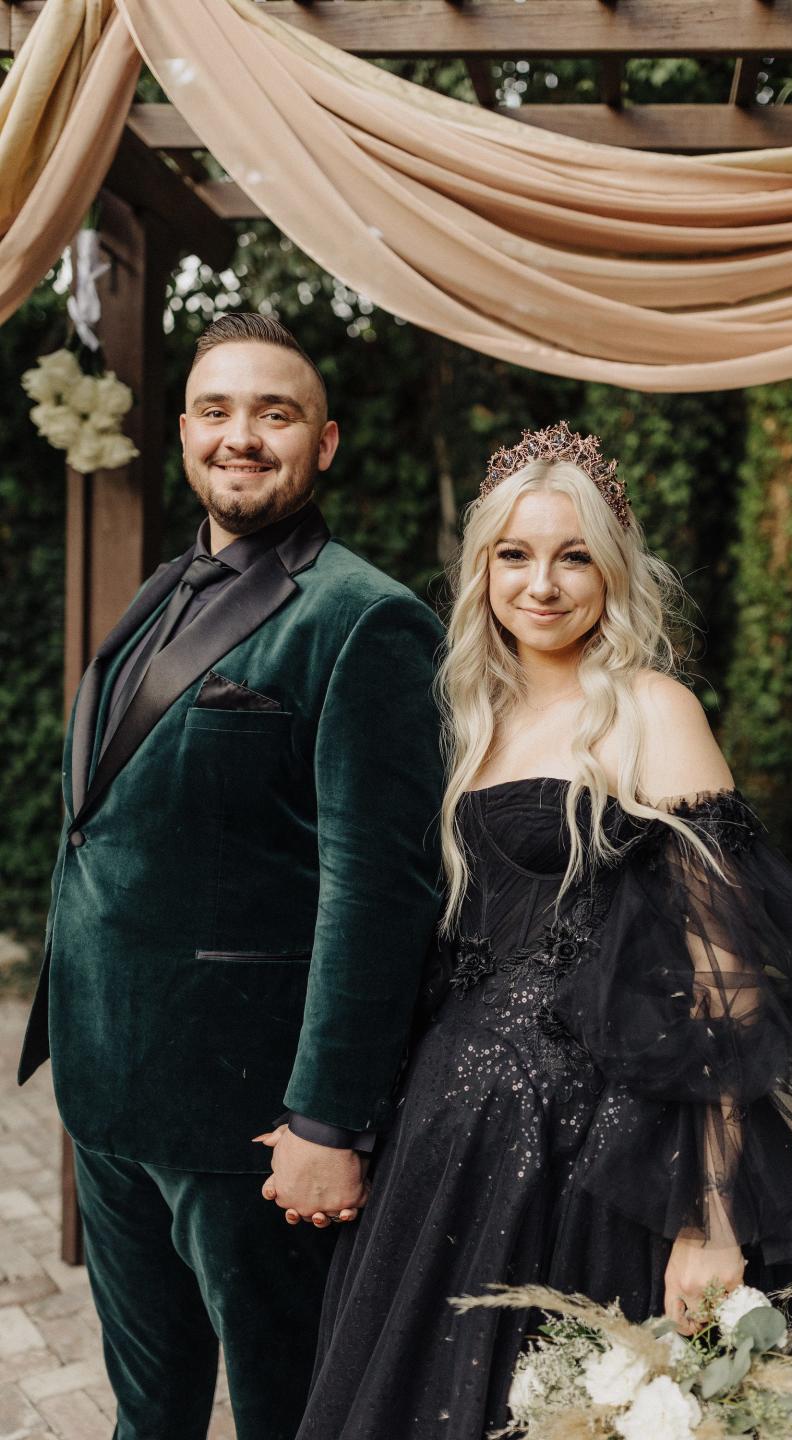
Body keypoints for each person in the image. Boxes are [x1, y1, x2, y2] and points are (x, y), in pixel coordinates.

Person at [296, 421, 792, 1440]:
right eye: (514, 555)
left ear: (613, 572)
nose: (541, 584)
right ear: (481, 570)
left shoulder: (651, 710)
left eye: (573, 555)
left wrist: (713, 1219)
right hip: (450, 1139)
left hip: (612, 1150)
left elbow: (728, 979)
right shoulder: (462, 718)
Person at [17, 313, 444, 1440]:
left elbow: (379, 887)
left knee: (286, 1411)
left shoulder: (367, 619)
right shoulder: (166, 586)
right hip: (110, 1093)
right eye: (216, 410)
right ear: (185, 432)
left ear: (327, 442)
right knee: (146, 1409)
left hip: (253, 1120)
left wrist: (325, 1119)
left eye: (275, 412)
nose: (240, 435)